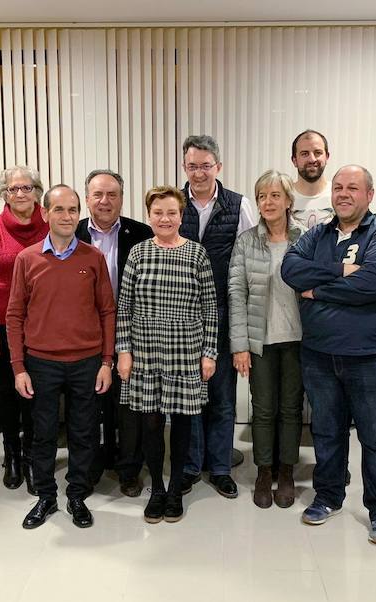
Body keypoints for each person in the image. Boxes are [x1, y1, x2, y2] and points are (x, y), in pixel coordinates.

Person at [281, 165, 376, 545]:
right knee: (326, 431)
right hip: (320, 355)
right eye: (338, 187)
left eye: (353, 187)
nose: (343, 194)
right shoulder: (316, 234)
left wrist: (319, 291)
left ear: (370, 194)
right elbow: (291, 269)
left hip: (375, 357)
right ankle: (329, 495)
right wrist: (343, 271)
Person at [7, 185, 115, 530]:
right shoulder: (27, 259)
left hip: (87, 362)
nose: (66, 217)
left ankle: (78, 495)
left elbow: (107, 311)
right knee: (42, 433)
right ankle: (46, 496)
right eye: (59, 210)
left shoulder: (93, 258)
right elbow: (14, 316)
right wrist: (18, 367)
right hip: (41, 363)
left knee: (84, 432)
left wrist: (106, 361)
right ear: (45, 213)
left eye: (72, 210)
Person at [116, 186, 218, 523]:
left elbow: (210, 309)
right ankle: (157, 489)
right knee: (151, 424)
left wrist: (209, 353)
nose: (165, 218)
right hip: (146, 352)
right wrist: (123, 351)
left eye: (171, 212)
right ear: (149, 215)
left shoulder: (196, 254)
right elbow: (124, 307)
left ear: (181, 215)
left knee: (183, 425)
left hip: (186, 351)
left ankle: (176, 490)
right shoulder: (139, 254)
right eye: (158, 212)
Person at [178, 134, 257, 499]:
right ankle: (192, 466)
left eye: (205, 166)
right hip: (182, 316)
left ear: (218, 167)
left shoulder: (238, 205)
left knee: (223, 396)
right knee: (191, 395)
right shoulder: (173, 204)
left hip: (224, 313)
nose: (198, 172)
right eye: (192, 165)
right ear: (184, 167)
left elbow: (245, 264)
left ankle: (221, 467)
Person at [0, 166, 49, 492]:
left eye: (26, 188)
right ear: (4, 194)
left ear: (37, 192)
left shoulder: (51, 225)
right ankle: (11, 456)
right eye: (13, 189)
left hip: (43, 328)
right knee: (6, 395)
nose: (20, 194)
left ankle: (31, 458)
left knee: (36, 396)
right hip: (1, 326)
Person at [228, 170, 304, 509]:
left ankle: (286, 471)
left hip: (299, 340)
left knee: (290, 409)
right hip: (260, 342)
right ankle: (263, 471)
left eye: (275, 195)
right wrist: (240, 345)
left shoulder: (306, 238)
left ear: (288, 200)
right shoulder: (246, 241)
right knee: (263, 410)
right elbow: (236, 293)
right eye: (262, 196)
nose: (268, 202)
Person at [75, 169, 153, 497]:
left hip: (131, 335)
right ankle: (94, 463)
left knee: (128, 406)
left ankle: (129, 470)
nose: (105, 201)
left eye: (112, 195)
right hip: (85, 335)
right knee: (91, 404)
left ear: (122, 197)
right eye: (98, 194)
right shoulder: (72, 232)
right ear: (87, 198)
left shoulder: (142, 233)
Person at [290, 130, 333, 229]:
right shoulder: (283, 197)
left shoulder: (339, 195)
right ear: (294, 160)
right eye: (305, 154)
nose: (312, 159)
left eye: (318, 153)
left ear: (327, 157)